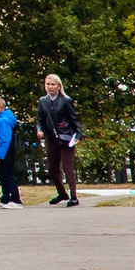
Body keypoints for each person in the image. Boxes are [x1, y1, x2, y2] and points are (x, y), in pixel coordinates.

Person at [36, 75, 82, 206]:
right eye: (48, 84)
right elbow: (39, 119)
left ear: (58, 86)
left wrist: (78, 135)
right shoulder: (43, 101)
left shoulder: (65, 100)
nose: (50, 87)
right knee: (52, 168)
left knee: (67, 167)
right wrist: (39, 130)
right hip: (51, 137)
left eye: (53, 84)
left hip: (66, 137)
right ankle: (62, 192)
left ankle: (74, 196)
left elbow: (74, 119)